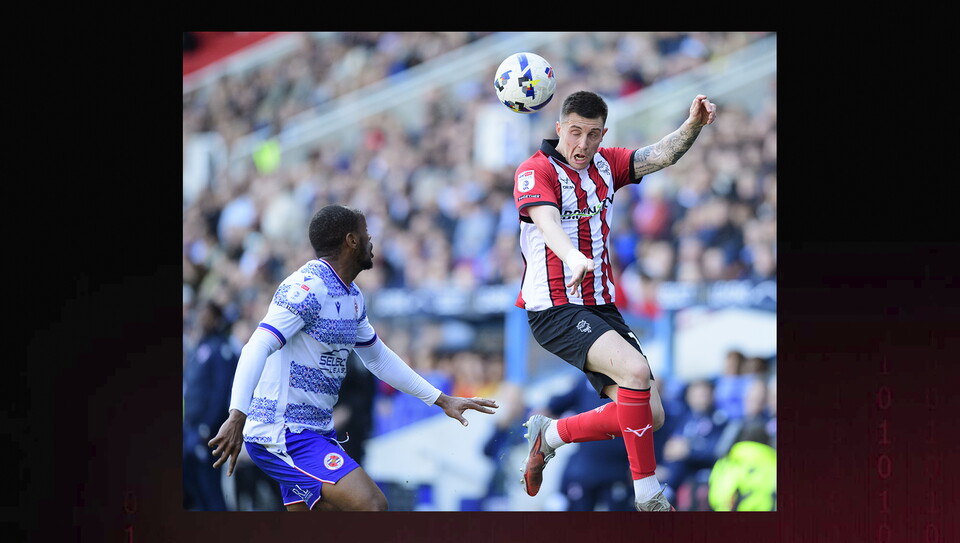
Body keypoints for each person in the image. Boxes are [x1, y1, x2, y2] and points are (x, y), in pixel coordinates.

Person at [207, 204, 499, 511]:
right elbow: (257, 345)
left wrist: (440, 399)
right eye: (366, 233)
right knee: (372, 505)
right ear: (351, 240)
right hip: (283, 432)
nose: (372, 241)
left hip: (315, 432)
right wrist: (237, 414)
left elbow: (378, 359)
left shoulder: (352, 296)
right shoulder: (305, 288)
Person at [513, 90, 717, 512]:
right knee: (636, 370)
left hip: (600, 306)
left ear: (603, 134)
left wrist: (693, 124)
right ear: (559, 129)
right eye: (575, 133)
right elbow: (547, 220)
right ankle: (648, 493)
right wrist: (570, 255)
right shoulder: (535, 171)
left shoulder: (608, 163)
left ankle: (550, 436)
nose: (583, 144)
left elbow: (661, 155)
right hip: (554, 306)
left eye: (592, 134)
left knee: (651, 415)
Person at [183, 300, 237, 510]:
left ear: (217, 320)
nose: (202, 319)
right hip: (191, 429)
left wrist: (208, 426)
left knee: (210, 488)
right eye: (201, 314)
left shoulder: (221, 350)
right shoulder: (200, 347)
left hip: (209, 432)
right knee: (194, 489)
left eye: (207, 315)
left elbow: (220, 393)